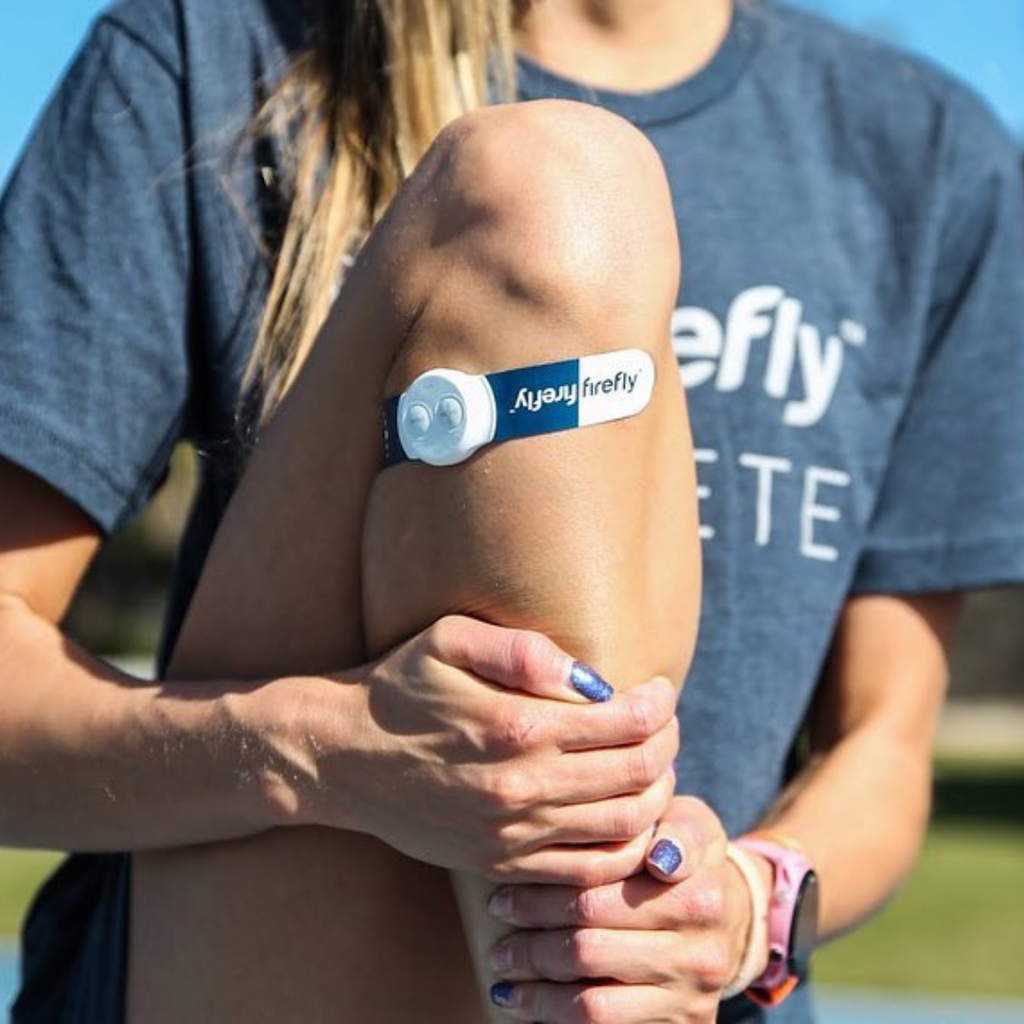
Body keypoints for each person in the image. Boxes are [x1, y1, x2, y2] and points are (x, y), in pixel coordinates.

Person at [1, 1, 1023, 1022]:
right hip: (246, 960)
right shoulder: (217, 51)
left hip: (678, 998)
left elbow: (882, 747)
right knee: (544, 194)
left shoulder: (924, 152)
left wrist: (746, 904)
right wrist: (322, 749)